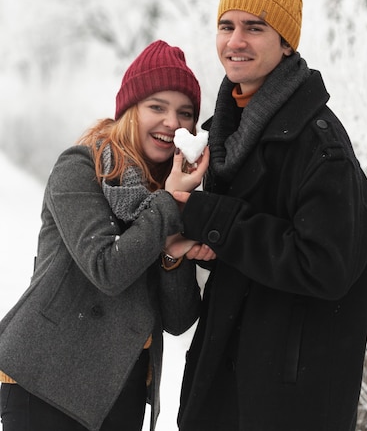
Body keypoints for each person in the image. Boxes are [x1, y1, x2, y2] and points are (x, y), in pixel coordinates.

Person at [170, 0, 367, 431]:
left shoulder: (319, 145)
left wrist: (215, 220)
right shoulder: (228, 133)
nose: (235, 41)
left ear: (286, 42)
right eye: (226, 26)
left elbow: (324, 264)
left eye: (255, 27)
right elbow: (256, 249)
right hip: (227, 381)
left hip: (286, 402)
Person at [0, 40, 212, 431]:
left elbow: (180, 319)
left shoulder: (169, 195)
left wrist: (171, 255)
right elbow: (107, 268)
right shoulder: (80, 168)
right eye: (156, 107)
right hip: (47, 380)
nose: (172, 122)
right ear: (130, 110)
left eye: (185, 113)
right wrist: (167, 205)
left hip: (121, 387)